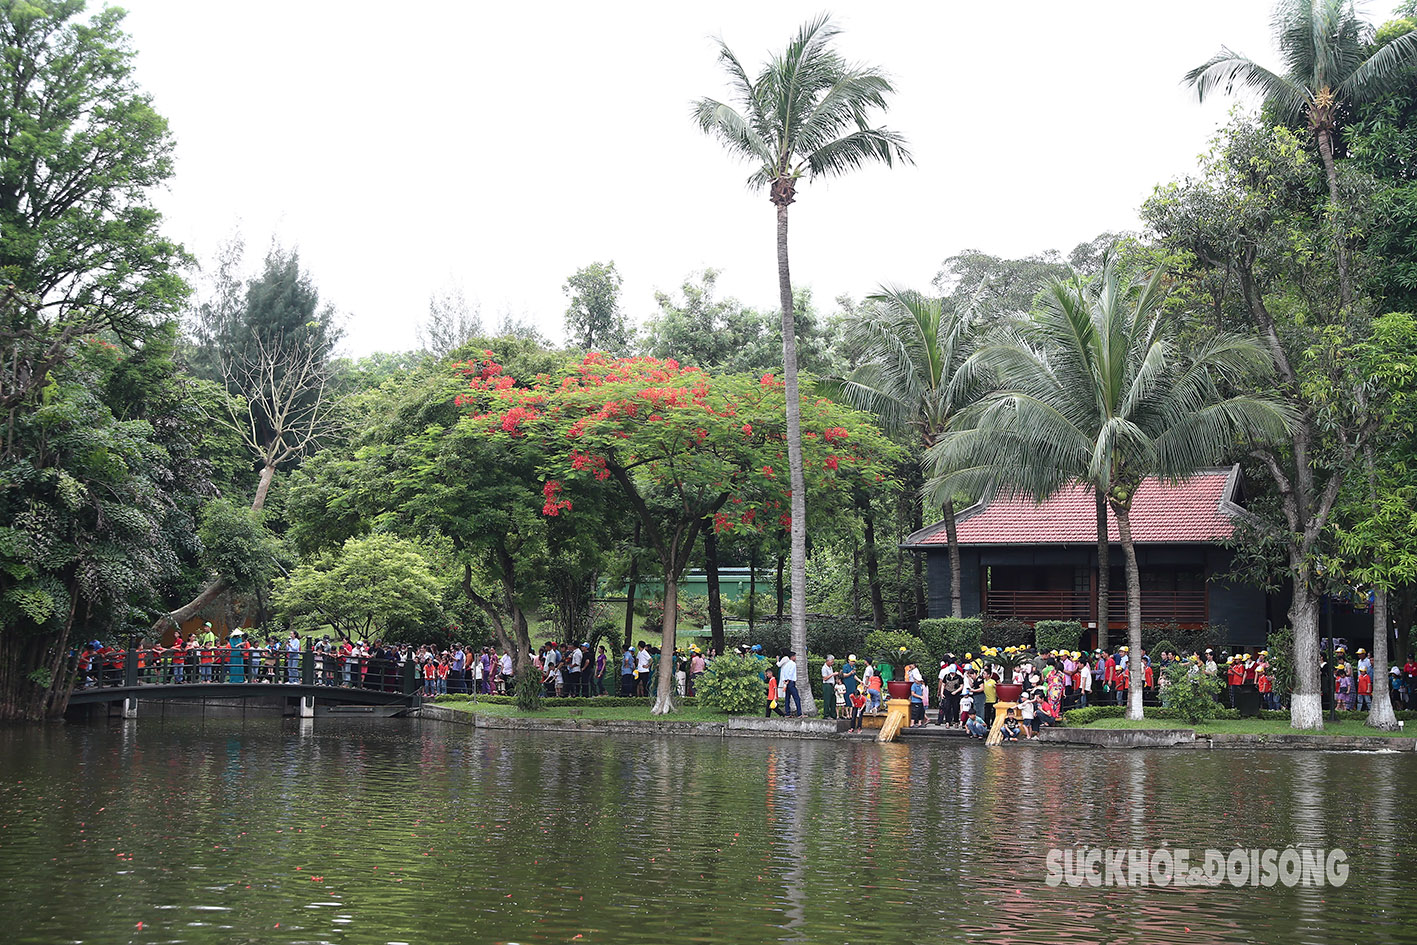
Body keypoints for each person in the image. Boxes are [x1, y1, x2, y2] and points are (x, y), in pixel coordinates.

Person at [778, 651, 802, 717]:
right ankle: (799, 713)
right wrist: (788, 680)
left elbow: (784, 672)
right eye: (795, 656)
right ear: (792, 657)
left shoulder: (787, 664)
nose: (795, 657)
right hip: (791, 682)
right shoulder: (793, 664)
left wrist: (785, 681)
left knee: (787, 698)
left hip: (786, 682)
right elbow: (791, 673)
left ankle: (787, 713)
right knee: (796, 698)